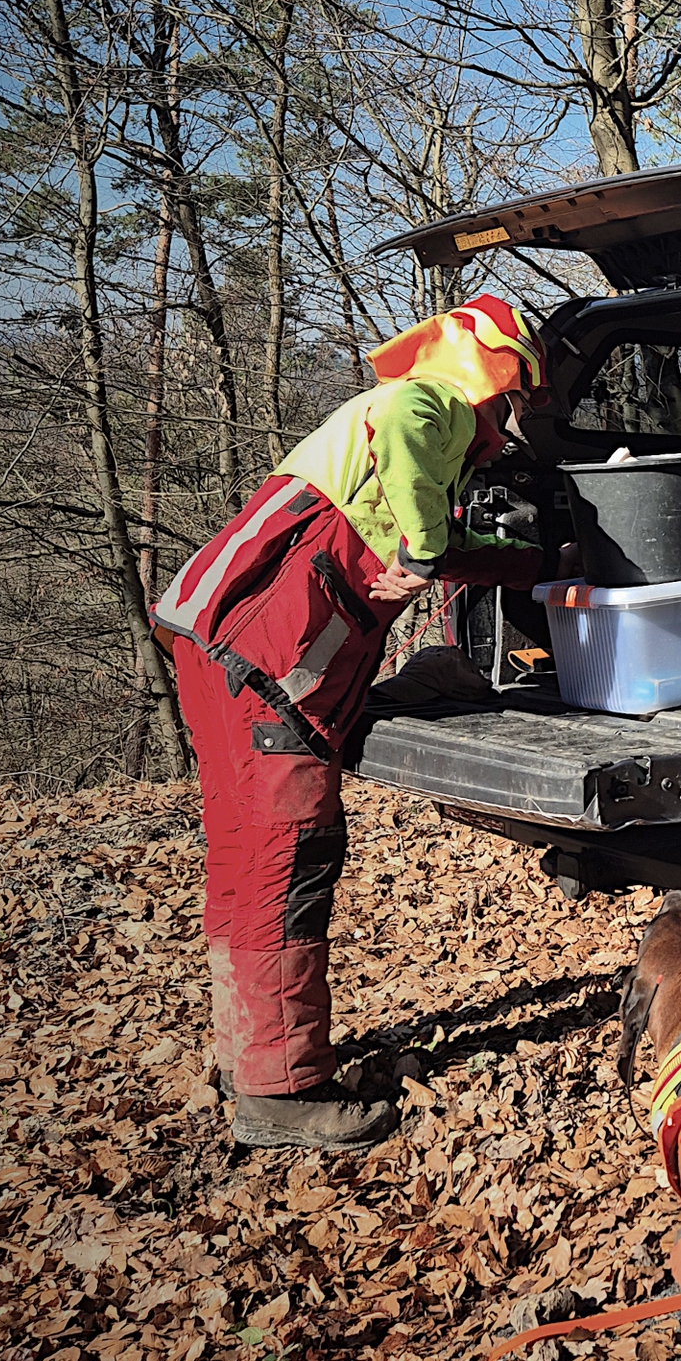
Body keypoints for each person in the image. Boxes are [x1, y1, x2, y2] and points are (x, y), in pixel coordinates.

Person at [156, 293, 545, 1149]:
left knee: (243, 850)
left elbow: (389, 537)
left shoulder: (398, 425)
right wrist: (430, 552)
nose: (510, 424)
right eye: (517, 397)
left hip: (215, 633)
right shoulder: (431, 400)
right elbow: (412, 494)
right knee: (288, 856)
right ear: (496, 371)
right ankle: (281, 1092)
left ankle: (245, 1054)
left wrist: (523, 563)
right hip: (266, 657)